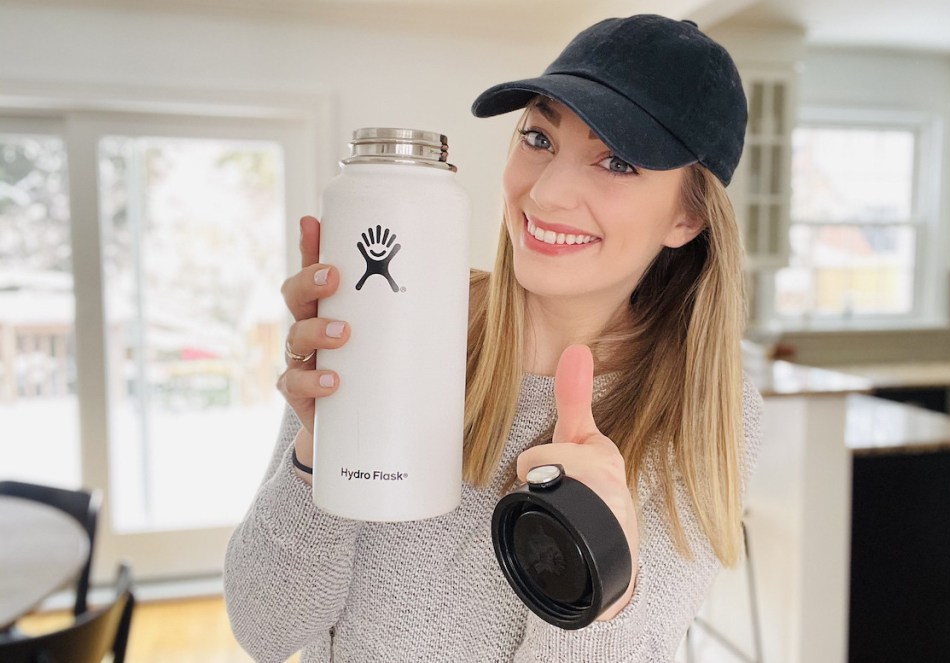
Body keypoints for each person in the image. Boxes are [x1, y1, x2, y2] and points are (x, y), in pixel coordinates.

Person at [225, 14, 762, 662]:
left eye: (616, 160)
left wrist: (599, 584)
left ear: (687, 215)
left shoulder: (705, 408)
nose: (546, 191)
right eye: (539, 135)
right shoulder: (399, 308)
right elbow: (265, 630)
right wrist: (320, 450)